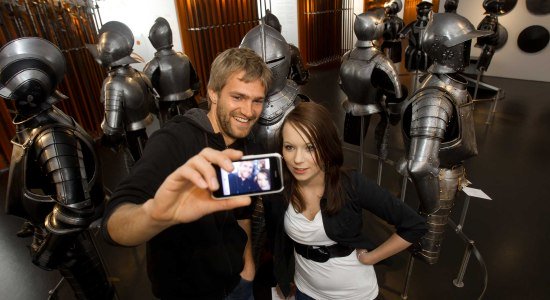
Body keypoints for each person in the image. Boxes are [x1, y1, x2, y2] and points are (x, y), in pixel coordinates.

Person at [101, 47, 272, 299]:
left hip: (238, 284)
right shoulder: (173, 141)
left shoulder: (248, 146)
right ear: (213, 93)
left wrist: (247, 265)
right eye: (238, 97)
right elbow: (114, 223)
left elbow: (241, 211)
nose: (248, 111)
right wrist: (155, 215)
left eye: (257, 100)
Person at [262, 102, 427, 299]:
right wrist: (283, 277)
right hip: (305, 290)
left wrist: (371, 258)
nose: (297, 159)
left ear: (326, 147)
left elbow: (414, 225)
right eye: (289, 147)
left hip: (354, 293)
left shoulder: (351, 184)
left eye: (310, 148)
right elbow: (278, 240)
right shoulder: (279, 189)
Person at [1, 37, 113, 299]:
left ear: (24, 96)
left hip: (70, 240)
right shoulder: (48, 119)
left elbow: (73, 210)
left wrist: (48, 250)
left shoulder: (49, 135)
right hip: (58, 219)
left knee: (95, 293)